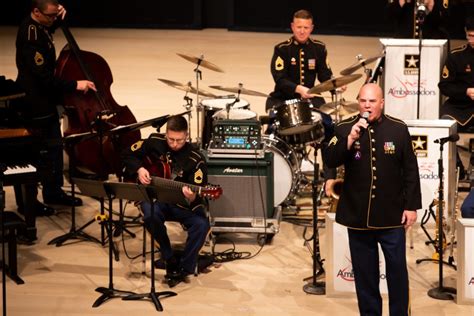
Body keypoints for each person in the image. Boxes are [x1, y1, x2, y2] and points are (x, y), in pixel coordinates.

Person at [324, 83, 422, 316]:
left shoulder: (398, 129)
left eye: (372, 101)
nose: (367, 106)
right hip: (358, 215)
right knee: (365, 275)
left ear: (382, 102)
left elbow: (410, 170)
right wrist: (349, 139)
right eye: (363, 101)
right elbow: (330, 159)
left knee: (397, 271)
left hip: (391, 215)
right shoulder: (344, 127)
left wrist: (411, 207)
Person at [15, 0, 96, 215]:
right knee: (34, 153)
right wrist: (75, 85)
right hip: (35, 102)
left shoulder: (40, 26)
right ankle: (28, 203)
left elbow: (48, 29)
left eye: (54, 15)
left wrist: (58, 21)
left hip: (47, 100)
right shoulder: (30, 37)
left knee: (54, 148)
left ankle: (53, 192)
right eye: (50, 16)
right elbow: (44, 79)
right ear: (35, 12)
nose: (53, 19)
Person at [122, 115, 210, 287]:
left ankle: (185, 268)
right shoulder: (154, 141)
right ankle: (168, 256)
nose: (175, 144)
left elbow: (198, 191)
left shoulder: (196, 159)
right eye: (171, 139)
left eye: (179, 140)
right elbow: (127, 153)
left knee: (201, 225)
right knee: (150, 215)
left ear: (187, 135)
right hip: (156, 199)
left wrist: (192, 195)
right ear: (165, 134)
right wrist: (139, 169)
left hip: (181, 205)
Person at [266, 9, 340, 192]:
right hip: (284, 98)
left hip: (311, 100)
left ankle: (330, 180)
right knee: (272, 129)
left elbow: (324, 75)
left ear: (311, 28)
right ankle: (276, 178)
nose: (301, 31)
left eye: (306, 27)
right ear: (292, 26)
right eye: (298, 27)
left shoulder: (319, 48)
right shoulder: (282, 49)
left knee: (329, 126)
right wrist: (299, 89)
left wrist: (335, 85)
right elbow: (279, 79)